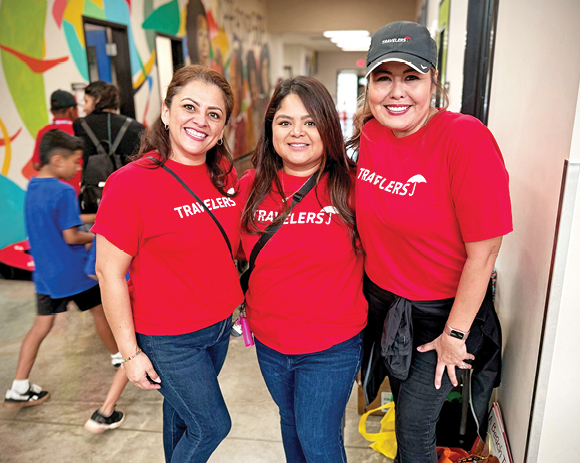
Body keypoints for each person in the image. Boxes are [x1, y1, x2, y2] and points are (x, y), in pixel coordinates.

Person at [348, 21, 513, 463]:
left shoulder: (465, 139)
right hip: (385, 306)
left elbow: (486, 251)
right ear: (369, 85)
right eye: (384, 78)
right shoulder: (369, 136)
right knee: (400, 407)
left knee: (415, 424)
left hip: (445, 314)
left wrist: (455, 334)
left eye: (411, 78)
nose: (396, 92)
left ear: (433, 81)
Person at [92, 65, 243, 462]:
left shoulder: (223, 173)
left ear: (223, 125)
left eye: (214, 114)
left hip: (217, 326)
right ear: (166, 111)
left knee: (181, 417)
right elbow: (108, 272)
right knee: (212, 425)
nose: (200, 121)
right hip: (169, 338)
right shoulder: (131, 183)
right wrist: (129, 353)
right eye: (189, 107)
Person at [239, 76, 368, 462]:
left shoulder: (353, 187)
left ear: (328, 126)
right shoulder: (251, 186)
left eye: (310, 122)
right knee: (291, 424)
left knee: (318, 437)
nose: (297, 132)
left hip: (330, 345)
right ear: (271, 129)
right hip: (269, 342)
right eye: (285, 122)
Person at [3, 130, 119, 408]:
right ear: (57, 160)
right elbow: (71, 235)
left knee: (41, 326)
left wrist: (98, 215)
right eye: (75, 162)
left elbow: (64, 218)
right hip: (74, 273)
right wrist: (100, 233)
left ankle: (19, 386)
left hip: (45, 276)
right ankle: (120, 357)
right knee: (100, 312)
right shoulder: (64, 190)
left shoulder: (34, 186)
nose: (78, 168)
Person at [83, 236, 128, 433]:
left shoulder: (105, 229)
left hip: (123, 303)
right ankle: (105, 410)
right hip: (144, 302)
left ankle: (105, 412)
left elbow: (94, 271)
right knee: (131, 356)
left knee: (130, 355)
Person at [74, 82, 146, 170]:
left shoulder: (80, 124)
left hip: (92, 182)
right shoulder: (136, 127)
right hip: (126, 180)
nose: (84, 108)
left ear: (97, 99)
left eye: (86, 101)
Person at [31, 90, 81, 194]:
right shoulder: (78, 129)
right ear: (71, 110)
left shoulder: (44, 132)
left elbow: (36, 164)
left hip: (49, 190)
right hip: (76, 189)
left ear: (52, 111)